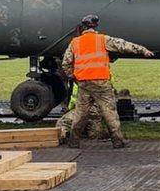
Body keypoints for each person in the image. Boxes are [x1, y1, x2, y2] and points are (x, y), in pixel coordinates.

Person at [61, 14, 153, 148]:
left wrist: (73, 77)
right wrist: (142, 50)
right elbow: (123, 45)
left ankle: (74, 142)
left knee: (80, 114)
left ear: (83, 27)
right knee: (109, 112)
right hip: (101, 83)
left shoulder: (75, 43)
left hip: (84, 83)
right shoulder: (102, 40)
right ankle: (117, 141)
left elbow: (66, 63)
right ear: (95, 26)